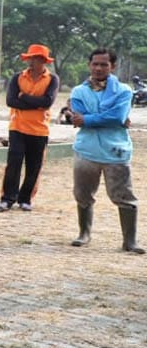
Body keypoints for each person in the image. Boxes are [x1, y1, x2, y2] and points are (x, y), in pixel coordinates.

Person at [68, 48, 143, 253]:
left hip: (115, 152)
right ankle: (84, 233)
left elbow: (117, 117)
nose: (99, 68)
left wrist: (89, 119)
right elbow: (77, 117)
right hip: (87, 151)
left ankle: (130, 241)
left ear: (113, 66)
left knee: (124, 196)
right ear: (89, 65)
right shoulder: (78, 91)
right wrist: (100, 118)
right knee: (82, 194)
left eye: (104, 64)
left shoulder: (124, 90)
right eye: (95, 64)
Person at [0, 44, 59, 212]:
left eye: (36, 59)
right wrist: (35, 103)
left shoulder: (52, 79)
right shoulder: (18, 77)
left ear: (44, 61)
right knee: (13, 164)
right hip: (18, 127)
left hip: (39, 130)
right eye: (30, 58)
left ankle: (25, 199)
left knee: (34, 166)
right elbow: (11, 101)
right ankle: (7, 198)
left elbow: (47, 102)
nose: (31, 62)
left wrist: (24, 97)